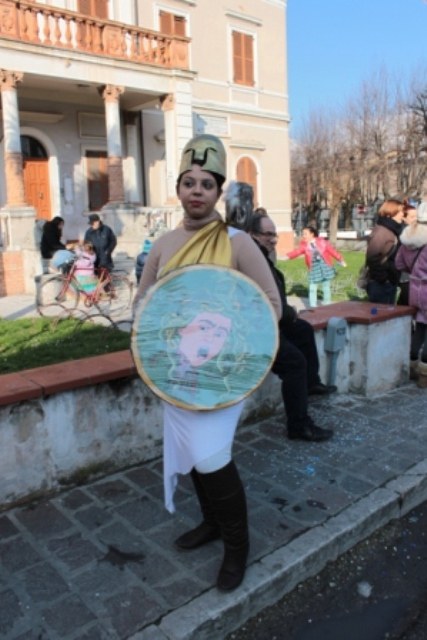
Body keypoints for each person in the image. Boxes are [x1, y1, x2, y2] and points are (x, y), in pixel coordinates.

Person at [133, 133, 282, 592]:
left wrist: (225, 330)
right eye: (189, 183)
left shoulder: (238, 243)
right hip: (176, 374)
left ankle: (238, 547)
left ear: (218, 192)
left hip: (223, 375)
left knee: (212, 456)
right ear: (178, 189)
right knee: (194, 456)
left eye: (206, 184)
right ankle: (213, 523)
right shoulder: (163, 244)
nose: (196, 191)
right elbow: (143, 305)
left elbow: (271, 305)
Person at [249, 212, 335, 442]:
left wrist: (288, 314)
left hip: (274, 321)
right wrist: (287, 313)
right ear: (252, 234)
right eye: (267, 234)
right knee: (294, 363)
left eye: (274, 235)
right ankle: (298, 425)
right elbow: (261, 300)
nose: (273, 239)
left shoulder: (261, 255)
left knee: (303, 330)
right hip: (258, 330)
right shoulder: (251, 257)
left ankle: (311, 383)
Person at [395, 205, 427, 386]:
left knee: (420, 327)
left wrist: (415, 273)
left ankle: (413, 366)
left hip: (415, 290)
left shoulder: (407, 238)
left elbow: (399, 264)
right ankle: (424, 375)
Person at [284, 226, 346, 308]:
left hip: (324, 266)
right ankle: (313, 306)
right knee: (312, 288)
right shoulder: (304, 245)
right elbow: (297, 252)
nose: (303, 236)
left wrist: (340, 259)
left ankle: (327, 304)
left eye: (305, 234)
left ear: (312, 234)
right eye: (303, 234)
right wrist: (287, 256)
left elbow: (332, 251)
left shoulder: (322, 242)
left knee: (326, 286)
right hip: (314, 268)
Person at [365, 199, 405, 304]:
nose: (403, 214)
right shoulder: (382, 232)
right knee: (380, 312)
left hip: (389, 280)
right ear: (391, 212)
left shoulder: (393, 230)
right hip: (381, 283)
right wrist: (383, 278)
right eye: (400, 211)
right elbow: (372, 257)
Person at [396, 201, 417, 306]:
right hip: (405, 275)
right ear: (404, 218)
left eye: (417, 216)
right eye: (412, 217)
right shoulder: (404, 233)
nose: (416, 219)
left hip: (410, 274)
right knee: (406, 303)